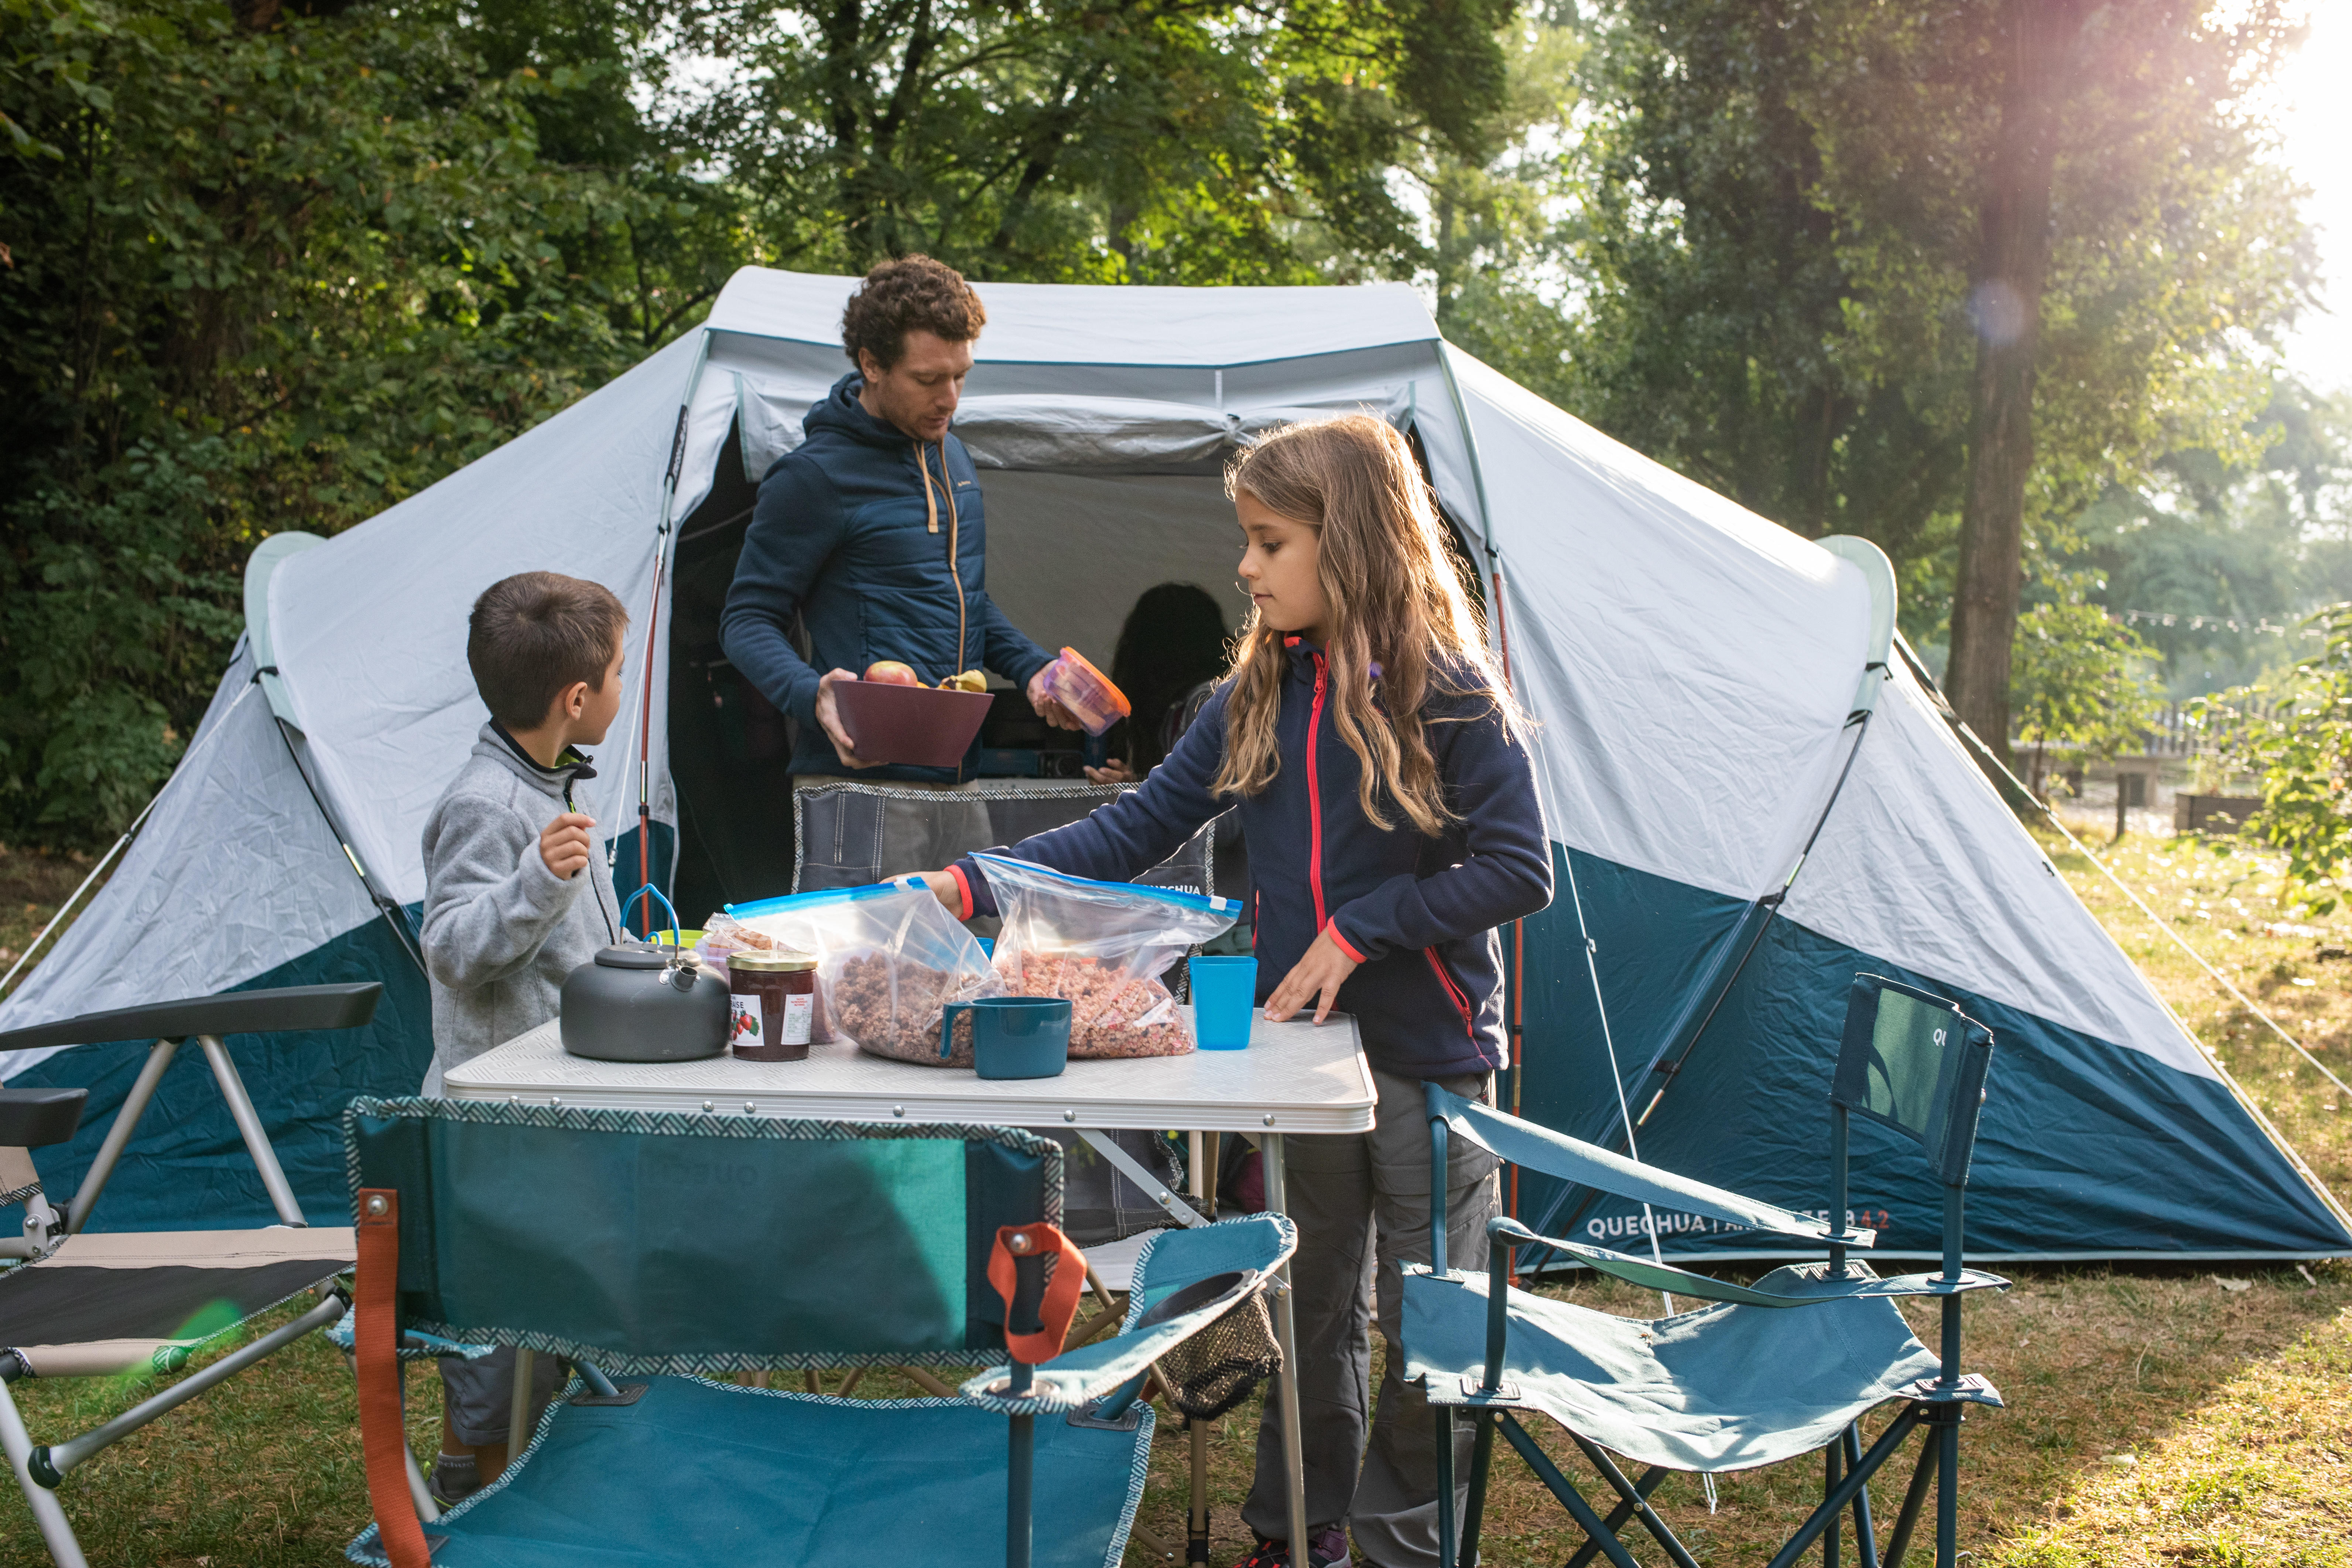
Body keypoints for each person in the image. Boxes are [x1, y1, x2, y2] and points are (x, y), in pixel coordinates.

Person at [916, 415, 1552, 1568]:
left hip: (1428, 1061)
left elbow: (1519, 869)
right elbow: (1136, 826)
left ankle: (1404, 1540)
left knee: (1428, 1320)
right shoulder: (1256, 692)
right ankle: (1296, 1529)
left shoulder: (1450, 692)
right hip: (1299, 1061)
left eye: (1268, 542)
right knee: (1310, 1305)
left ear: (1348, 544)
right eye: (1246, 542)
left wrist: (1364, 929)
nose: (1246, 568)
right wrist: (976, 877)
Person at [719, 254, 1078, 871]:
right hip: (861, 788)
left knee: (975, 965)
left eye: (961, 376)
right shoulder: (813, 476)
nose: (950, 399)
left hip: (960, 781)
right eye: (928, 379)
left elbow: (960, 599)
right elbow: (746, 618)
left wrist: (1035, 668)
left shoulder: (953, 459)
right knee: (868, 969)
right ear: (871, 365)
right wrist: (813, 695)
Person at [416, 570, 630, 1502]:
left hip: (558, 1108)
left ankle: (543, 1478)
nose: (623, 687)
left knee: (560, 1313)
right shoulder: (488, 805)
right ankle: (477, 1491)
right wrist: (536, 882)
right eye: (618, 673)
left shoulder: (549, 782)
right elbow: (453, 949)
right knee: (502, 1338)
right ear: (576, 699)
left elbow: (572, 942)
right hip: (497, 1123)